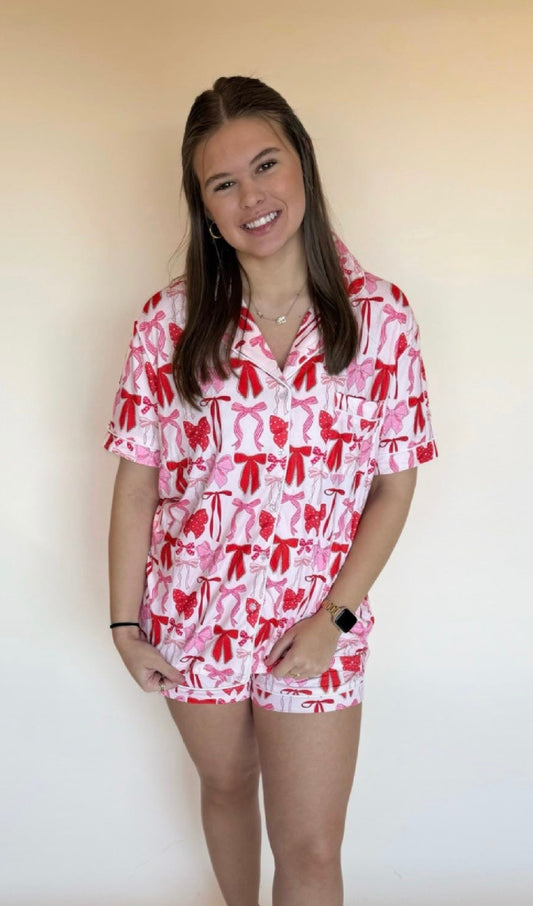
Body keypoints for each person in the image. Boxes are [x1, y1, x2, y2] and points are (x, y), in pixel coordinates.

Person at [105, 75, 437, 906]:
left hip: (315, 623)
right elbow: (137, 482)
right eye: (223, 183)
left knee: (312, 849)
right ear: (204, 208)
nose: (251, 196)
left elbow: (393, 488)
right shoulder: (168, 322)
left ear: (302, 168)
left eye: (265, 165)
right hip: (192, 617)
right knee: (226, 787)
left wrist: (336, 618)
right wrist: (123, 622)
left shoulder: (380, 317)